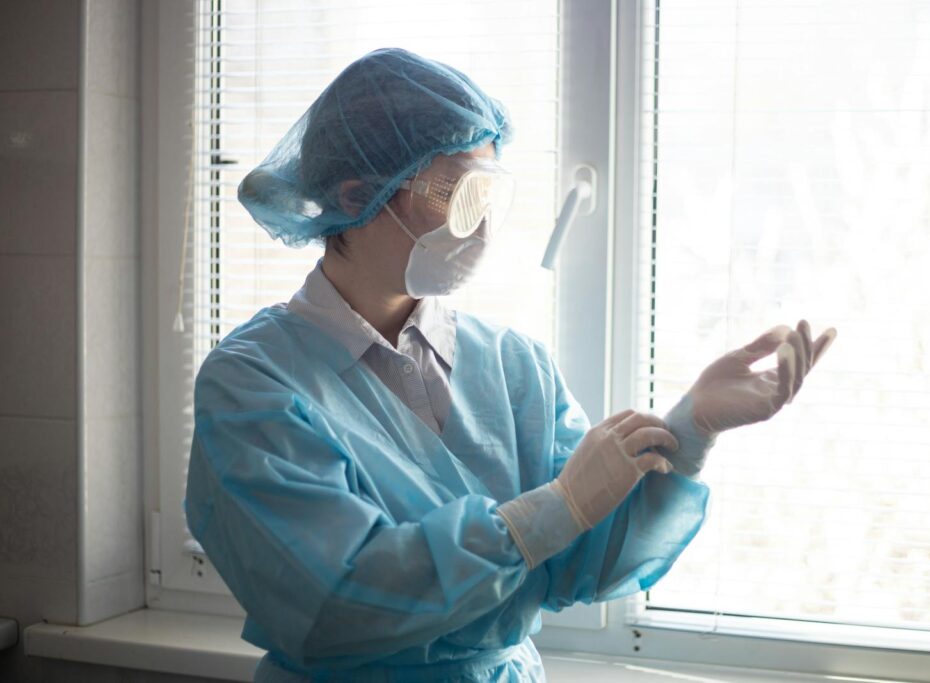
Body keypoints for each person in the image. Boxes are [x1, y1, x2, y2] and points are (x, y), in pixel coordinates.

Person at [184, 48, 837, 682]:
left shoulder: (512, 363)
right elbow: (335, 599)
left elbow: (585, 559)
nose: (483, 228)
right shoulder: (254, 382)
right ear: (357, 196)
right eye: (458, 196)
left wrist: (692, 428)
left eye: (488, 197)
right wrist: (548, 511)